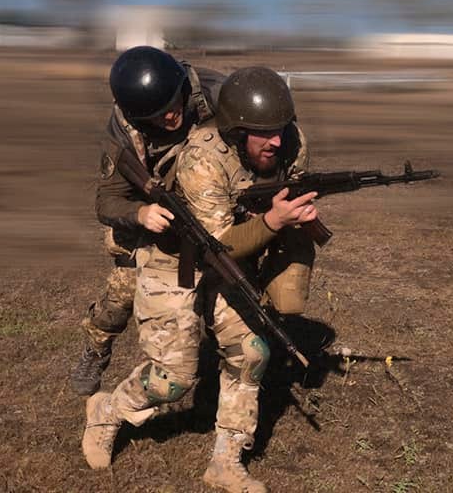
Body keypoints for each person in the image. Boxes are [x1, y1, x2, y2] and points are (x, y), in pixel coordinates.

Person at [82, 66, 318, 493]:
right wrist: (138, 214)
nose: (279, 141)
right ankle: (107, 411)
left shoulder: (267, 128)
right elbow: (221, 242)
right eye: (264, 133)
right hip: (172, 255)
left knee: (251, 353)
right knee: (173, 378)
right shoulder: (199, 156)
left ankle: (225, 461)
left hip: (225, 246)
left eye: (281, 129)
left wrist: (290, 217)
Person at [69, 45, 225, 396]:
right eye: (157, 116)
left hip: (209, 204)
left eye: (173, 107)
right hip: (151, 217)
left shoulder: (217, 93)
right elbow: (106, 201)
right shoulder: (122, 130)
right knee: (122, 294)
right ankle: (96, 348)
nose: (171, 118)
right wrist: (140, 214)